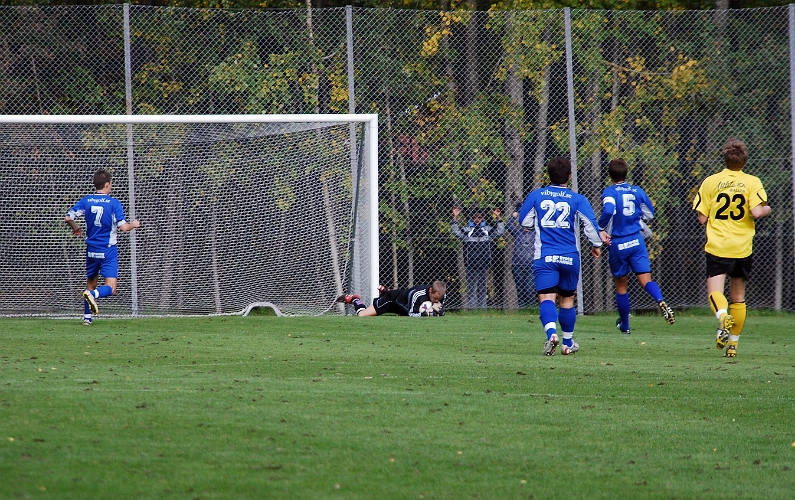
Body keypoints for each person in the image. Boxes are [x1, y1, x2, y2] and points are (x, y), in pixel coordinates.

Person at [518, 156, 608, 356]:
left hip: (546, 256)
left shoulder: (536, 196)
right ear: (569, 176)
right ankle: (567, 343)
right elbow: (590, 226)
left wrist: (538, 223)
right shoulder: (578, 199)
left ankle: (552, 334)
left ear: (549, 175)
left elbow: (524, 222)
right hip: (570, 257)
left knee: (546, 298)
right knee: (567, 300)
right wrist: (596, 245)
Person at [692, 138, 771, 358]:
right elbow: (757, 212)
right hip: (742, 246)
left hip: (718, 245)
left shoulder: (711, 181)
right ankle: (733, 345)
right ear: (744, 161)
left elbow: (701, 218)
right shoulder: (752, 182)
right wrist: (768, 209)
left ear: (725, 159)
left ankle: (722, 317)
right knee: (738, 296)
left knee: (715, 293)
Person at [598, 158, 675, 334]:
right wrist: (636, 218)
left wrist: (600, 227)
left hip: (619, 242)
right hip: (636, 241)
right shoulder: (637, 191)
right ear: (626, 174)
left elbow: (608, 210)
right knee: (646, 280)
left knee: (621, 287)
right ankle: (660, 300)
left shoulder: (609, 192)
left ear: (610, 175)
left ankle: (625, 325)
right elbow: (650, 214)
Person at [65, 169, 141, 325]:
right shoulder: (113, 203)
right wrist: (134, 224)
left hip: (91, 250)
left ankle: (87, 318)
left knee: (91, 283)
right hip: (108, 250)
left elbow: (68, 217)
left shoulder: (87, 201)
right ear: (107, 184)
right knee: (111, 287)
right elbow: (123, 228)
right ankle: (93, 295)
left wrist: (75, 227)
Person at [451, 205, 506, 309]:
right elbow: (455, 231)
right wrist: (455, 217)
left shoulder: (487, 230)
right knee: (471, 290)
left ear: (483, 218)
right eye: (474, 217)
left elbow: (500, 231)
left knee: (483, 290)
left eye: (480, 217)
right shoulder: (467, 231)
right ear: (471, 218)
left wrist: (498, 217)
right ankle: (472, 311)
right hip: (471, 265)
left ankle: (482, 311)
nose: (477, 220)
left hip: (484, 264)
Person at [336, 281, 447, 317]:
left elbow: (436, 308)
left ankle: (385, 290)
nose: (436, 301)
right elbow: (411, 314)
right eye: (434, 298)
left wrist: (440, 312)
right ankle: (355, 299)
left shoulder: (441, 295)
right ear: (430, 290)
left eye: (438, 299)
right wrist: (426, 314)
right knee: (362, 315)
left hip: (403, 304)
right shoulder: (417, 295)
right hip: (392, 301)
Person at [507, 203, 535, 308]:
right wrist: (515, 214)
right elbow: (508, 225)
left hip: (531, 265)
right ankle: (522, 309)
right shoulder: (518, 232)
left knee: (530, 289)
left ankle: (531, 308)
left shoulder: (536, 233)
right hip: (517, 265)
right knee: (520, 289)